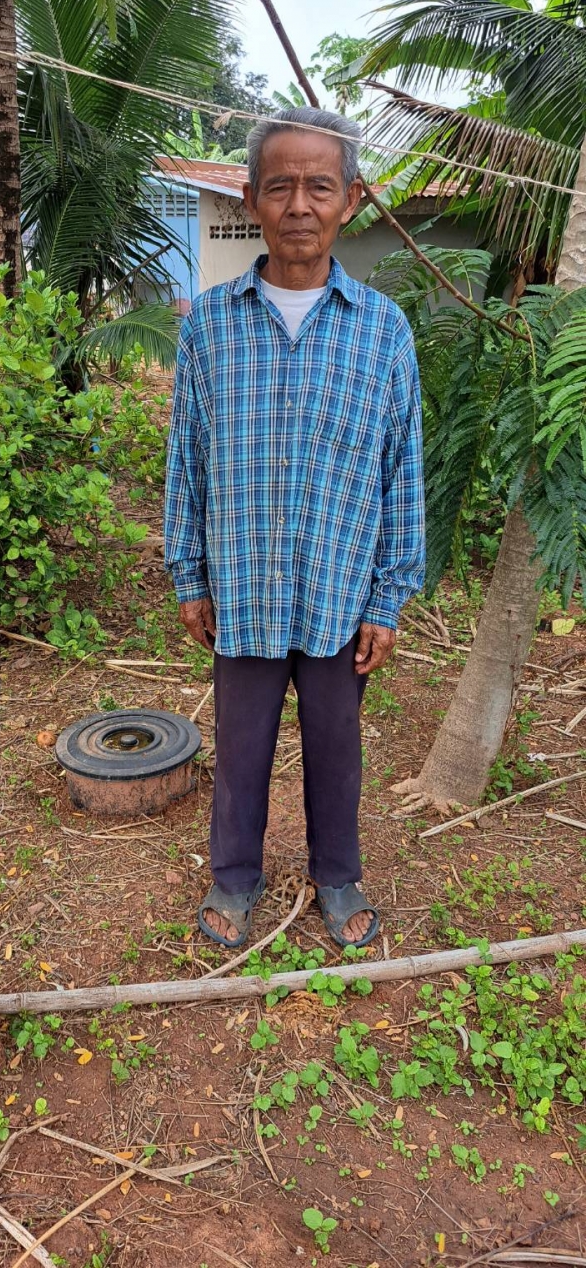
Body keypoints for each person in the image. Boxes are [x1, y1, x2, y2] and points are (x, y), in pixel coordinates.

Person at [163, 106, 425, 951]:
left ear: (351, 199)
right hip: (243, 588)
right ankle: (234, 877)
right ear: (251, 199)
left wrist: (387, 598)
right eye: (280, 186)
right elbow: (188, 457)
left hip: (340, 593)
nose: (300, 205)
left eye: (320, 186)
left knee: (335, 745)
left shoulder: (382, 330)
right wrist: (190, 575)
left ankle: (337, 876)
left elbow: (401, 470)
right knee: (240, 746)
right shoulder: (210, 323)